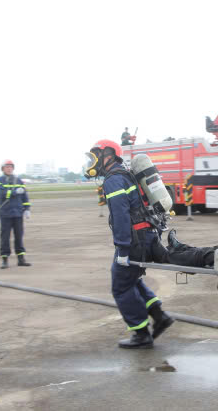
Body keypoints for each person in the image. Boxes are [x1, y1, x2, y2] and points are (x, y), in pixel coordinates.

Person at [86, 139, 174, 349]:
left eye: (95, 156)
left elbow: (121, 216)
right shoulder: (123, 175)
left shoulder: (114, 180)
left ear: (108, 154)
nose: (92, 161)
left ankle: (141, 333)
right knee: (132, 280)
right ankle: (159, 316)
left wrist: (123, 249)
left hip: (134, 240)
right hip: (146, 235)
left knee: (120, 286)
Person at [0, 159, 31, 269]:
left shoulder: (19, 181)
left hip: (17, 213)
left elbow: (24, 196)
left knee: (19, 236)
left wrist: (27, 208)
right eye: (7, 167)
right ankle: (4, 259)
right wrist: (15, 192)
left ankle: (21, 258)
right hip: (5, 213)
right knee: (5, 237)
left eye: (11, 167)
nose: (9, 168)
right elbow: (2, 193)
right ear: (3, 169)